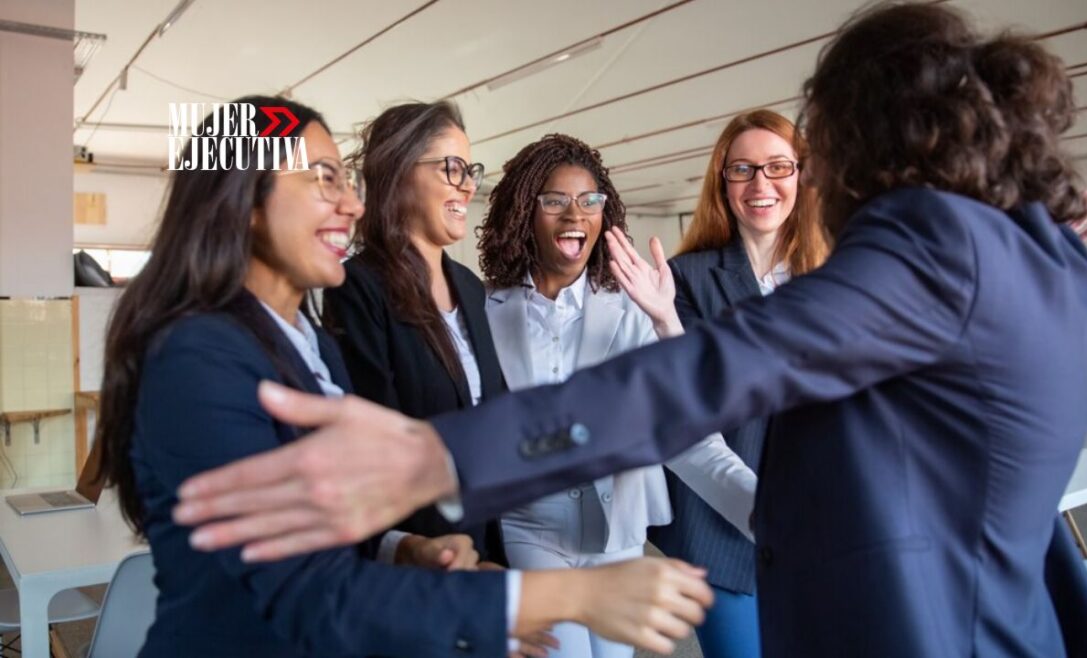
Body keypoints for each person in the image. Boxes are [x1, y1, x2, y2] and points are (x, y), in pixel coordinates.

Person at [172, 4, 1087, 656]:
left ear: (855, 136)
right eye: (320, 175)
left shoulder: (937, 244)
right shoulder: (1041, 259)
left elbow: (712, 373)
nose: (347, 199)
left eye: (807, 147)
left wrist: (436, 463)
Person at [94, 96, 713, 658]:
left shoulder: (303, 343)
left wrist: (403, 548)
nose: (352, 203)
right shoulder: (197, 358)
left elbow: (327, 519)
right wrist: (565, 598)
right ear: (244, 201)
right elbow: (299, 592)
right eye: (323, 180)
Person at [477, 133, 757, 658]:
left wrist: (768, 510)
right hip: (531, 529)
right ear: (523, 214)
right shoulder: (486, 311)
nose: (574, 215)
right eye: (554, 200)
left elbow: (688, 431)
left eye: (590, 201)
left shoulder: (634, 310)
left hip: (619, 535)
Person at [629, 109, 829, 658]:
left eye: (777, 167)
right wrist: (666, 324)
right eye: (742, 169)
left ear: (803, 176)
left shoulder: (835, 275)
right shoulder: (686, 278)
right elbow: (688, 403)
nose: (760, 184)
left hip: (823, 523)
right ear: (723, 181)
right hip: (718, 531)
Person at [322, 101, 509, 567]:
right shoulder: (357, 289)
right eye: (452, 168)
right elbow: (372, 450)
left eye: (471, 170)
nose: (468, 185)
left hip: (482, 542)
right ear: (400, 172)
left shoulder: (468, 285)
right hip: (417, 555)